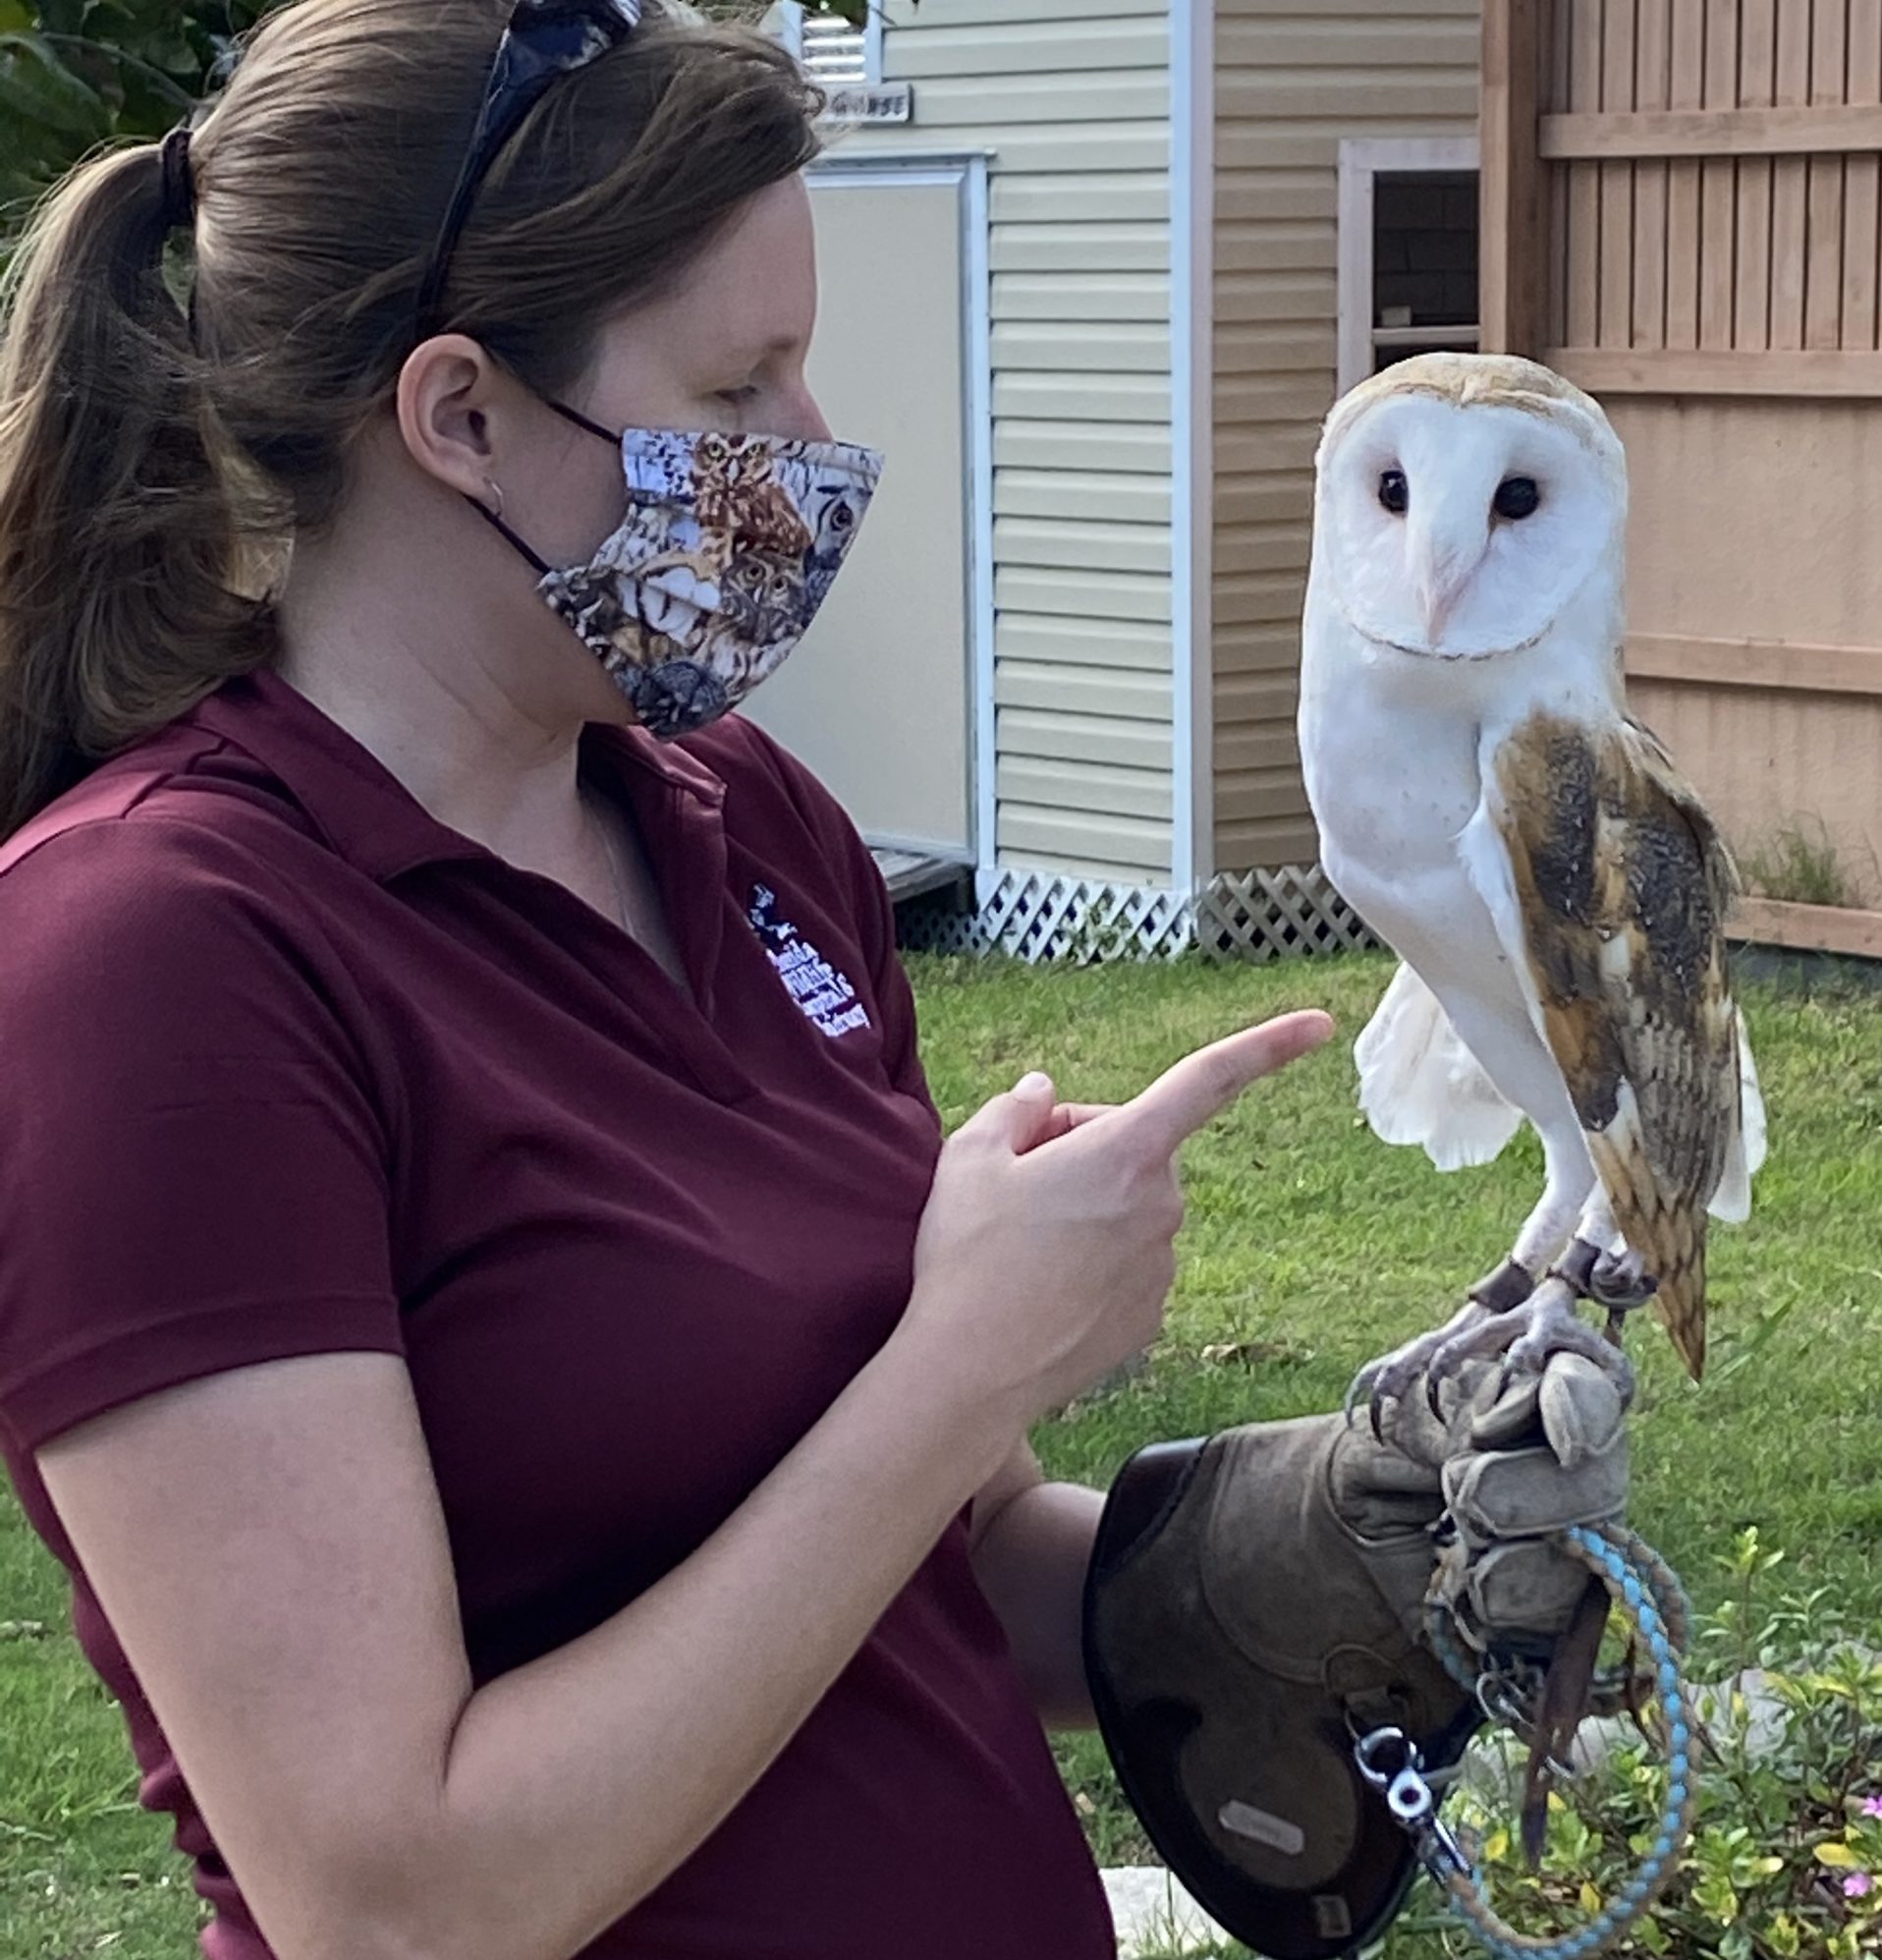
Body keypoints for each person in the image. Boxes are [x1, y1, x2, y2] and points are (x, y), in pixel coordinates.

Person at [0, 5, 1627, 1959]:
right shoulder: (154, 959)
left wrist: (1362, 1522)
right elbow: (391, 1892)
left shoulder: (739, 817)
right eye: (740, 378)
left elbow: (940, 1560)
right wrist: (963, 1361)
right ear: (460, 416)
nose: (813, 447)